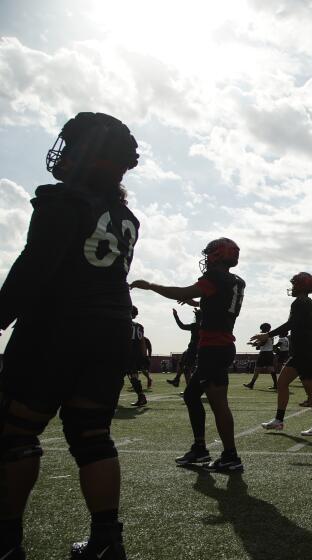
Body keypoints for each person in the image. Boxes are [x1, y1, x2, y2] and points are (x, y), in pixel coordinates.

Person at [0, 112, 140, 558]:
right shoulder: (124, 215)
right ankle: (105, 541)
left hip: (58, 326)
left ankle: (6, 542)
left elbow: (36, 265)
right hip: (112, 330)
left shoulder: (64, 200)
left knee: (15, 433)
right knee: (92, 434)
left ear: (86, 154)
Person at [131, 238, 246, 471]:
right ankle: (200, 448)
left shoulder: (215, 277)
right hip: (221, 344)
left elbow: (181, 291)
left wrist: (151, 285)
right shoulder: (236, 281)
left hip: (213, 347)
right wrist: (196, 300)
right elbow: (216, 303)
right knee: (192, 395)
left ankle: (230, 456)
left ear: (216, 255)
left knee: (218, 404)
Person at [257, 273, 312, 436]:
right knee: (283, 383)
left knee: (311, 389)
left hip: (304, 351)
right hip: (304, 350)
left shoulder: (300, 302)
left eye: (295, 284)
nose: (292, 287)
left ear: (301, 286)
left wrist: (267, 335)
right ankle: (279, 420)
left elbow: (292, 324)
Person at [168, 308, 201, 387]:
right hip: (194, 348)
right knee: (182, 363)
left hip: (194, 349)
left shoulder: (195, 326)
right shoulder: (205, 326)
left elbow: (181, 326)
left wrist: (176, 316)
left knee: (187, 368)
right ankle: (177, 379)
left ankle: (189, 388)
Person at [127, 306, 149, 407]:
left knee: (117, 376)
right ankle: (141, 397)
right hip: (136, 355)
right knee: (133, 376)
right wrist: (145, 356)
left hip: (125, 353)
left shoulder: (123, 324)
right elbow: (142, 342)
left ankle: (141, 396)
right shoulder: (139, 326)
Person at [244, 323, 277, 390]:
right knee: (271, 369)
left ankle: (251, 384)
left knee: (257, 369)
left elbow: (262, 343)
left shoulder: (265, 335)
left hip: (264, 353)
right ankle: (276, 384)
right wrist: (256, 344)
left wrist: (254, 344)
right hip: (270, 353)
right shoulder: (270, 335)